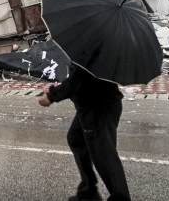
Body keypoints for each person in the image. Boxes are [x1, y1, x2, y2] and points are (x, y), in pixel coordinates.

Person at [38, 64, 131, 201]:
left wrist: (52, 95)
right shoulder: (92, 47)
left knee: (104, 155)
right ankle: (88, 191)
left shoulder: (89, 48)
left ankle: (120, 198)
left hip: (97, 107)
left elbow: (79, 77)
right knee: (76, 139)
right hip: (91, 104)